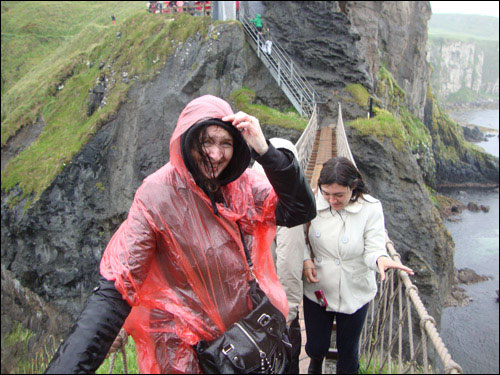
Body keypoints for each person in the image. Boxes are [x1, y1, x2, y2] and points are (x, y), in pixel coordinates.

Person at [45, 95, 316, 374]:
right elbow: (118, 285)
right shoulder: (158, 196)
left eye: (226, 144)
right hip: (182, 352)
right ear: (187, 140)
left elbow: (299, 210)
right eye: (206, 141)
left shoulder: (239, 186)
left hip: (237, 344)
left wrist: (265, 151)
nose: (216, 154)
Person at [302, 157, 414, 374]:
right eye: (326, 193)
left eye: (338, 195)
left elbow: (373, 247)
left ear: (353, 187)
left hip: (355, 290)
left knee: (349, 355)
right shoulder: (312, 201)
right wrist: (306, 259)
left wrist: (380, 259)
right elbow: (300, 235)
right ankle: (315, 362)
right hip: (318, 289)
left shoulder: (371, 208)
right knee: (316, 346)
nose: (331, 200)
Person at [252, 138, 306, 374]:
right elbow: (289, 264)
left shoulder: (248, 194)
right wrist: (289, 313)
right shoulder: (288, 202)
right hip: (275, 310)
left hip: (252, 306)